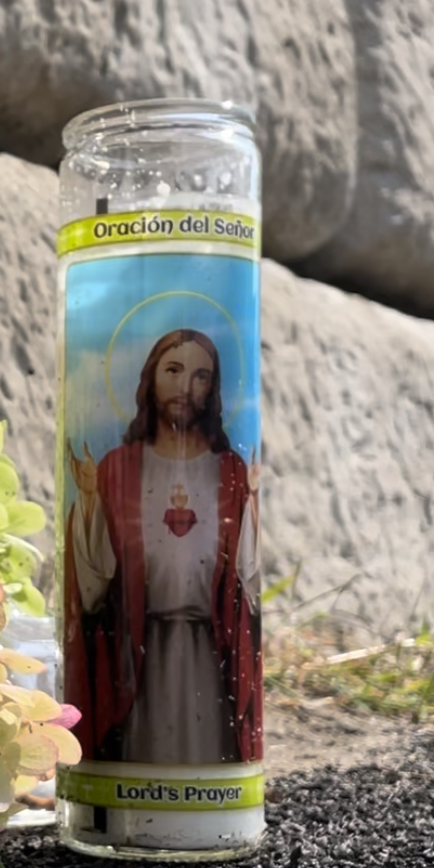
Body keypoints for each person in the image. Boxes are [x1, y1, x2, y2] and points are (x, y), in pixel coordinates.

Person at [63, 328, 262, 766]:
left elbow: (247, 582)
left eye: (201, 376)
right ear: (151, 377)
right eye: (173, 370)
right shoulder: (120, 467)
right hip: (139, 657)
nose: (185, 387)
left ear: (213, 388)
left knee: (208, 751)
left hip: (208, 656)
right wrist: (92, 501)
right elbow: (94, 586)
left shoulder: (228, 471)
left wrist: (253, 506)